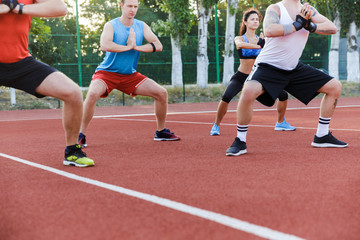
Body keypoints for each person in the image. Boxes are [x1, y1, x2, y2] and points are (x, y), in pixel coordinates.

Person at [225, 0, 348, 156]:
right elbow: (270, 30)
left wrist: (310, 26)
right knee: (248, 91)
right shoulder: (276, 8)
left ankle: (322, 135)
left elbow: (332, 27)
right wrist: (297, 24)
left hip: (293, 67)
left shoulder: (308, 10)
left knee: (334, 87)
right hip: (268, 67)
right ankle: (240, 141)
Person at [0, 0, 94, 167]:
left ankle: (72, 151)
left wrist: (18, 8)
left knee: (73, 93)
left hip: (21, 63)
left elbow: (60, 8)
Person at [78, 0, 180, 148]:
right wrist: (127, 47)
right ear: (121, 6)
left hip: (129, 76)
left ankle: (161, 131)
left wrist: (136, 47)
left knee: (162, 93)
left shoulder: (141, 26)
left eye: (135, 6)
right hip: (106, 74)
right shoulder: (111, 25)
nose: (132, 10)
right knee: (92, 94)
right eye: (129, 6)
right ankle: (80, 135)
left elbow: (158, 45)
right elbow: (104, 45)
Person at [210, 8, 296, 136]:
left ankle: (280, 123)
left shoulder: (262, 38)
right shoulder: (240, 38)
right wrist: (259, 46)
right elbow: (240, 45)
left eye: (257, 19)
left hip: (257, 78)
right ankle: (216, 125)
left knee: (283, 95)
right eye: (252, 19)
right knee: (226, 97)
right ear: (245, 22)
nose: (255, 21)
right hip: (241, 77)